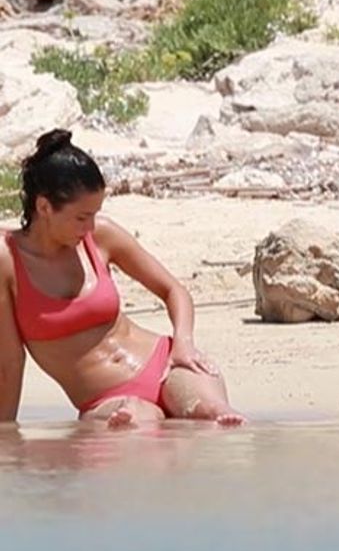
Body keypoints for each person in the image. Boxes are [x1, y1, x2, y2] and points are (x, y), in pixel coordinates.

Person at [0, 129, 244, 426]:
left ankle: (209, 411)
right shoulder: (7, 260)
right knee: (132, 425)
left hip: (166, 363)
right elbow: (9, 361)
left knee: (213, 416)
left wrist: (183, 343)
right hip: (105, 398)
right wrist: (6, 437)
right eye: (81, 217)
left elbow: (173, 290)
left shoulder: (101, 236)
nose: (90, 226)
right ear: (44, 207)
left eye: (95, 214)